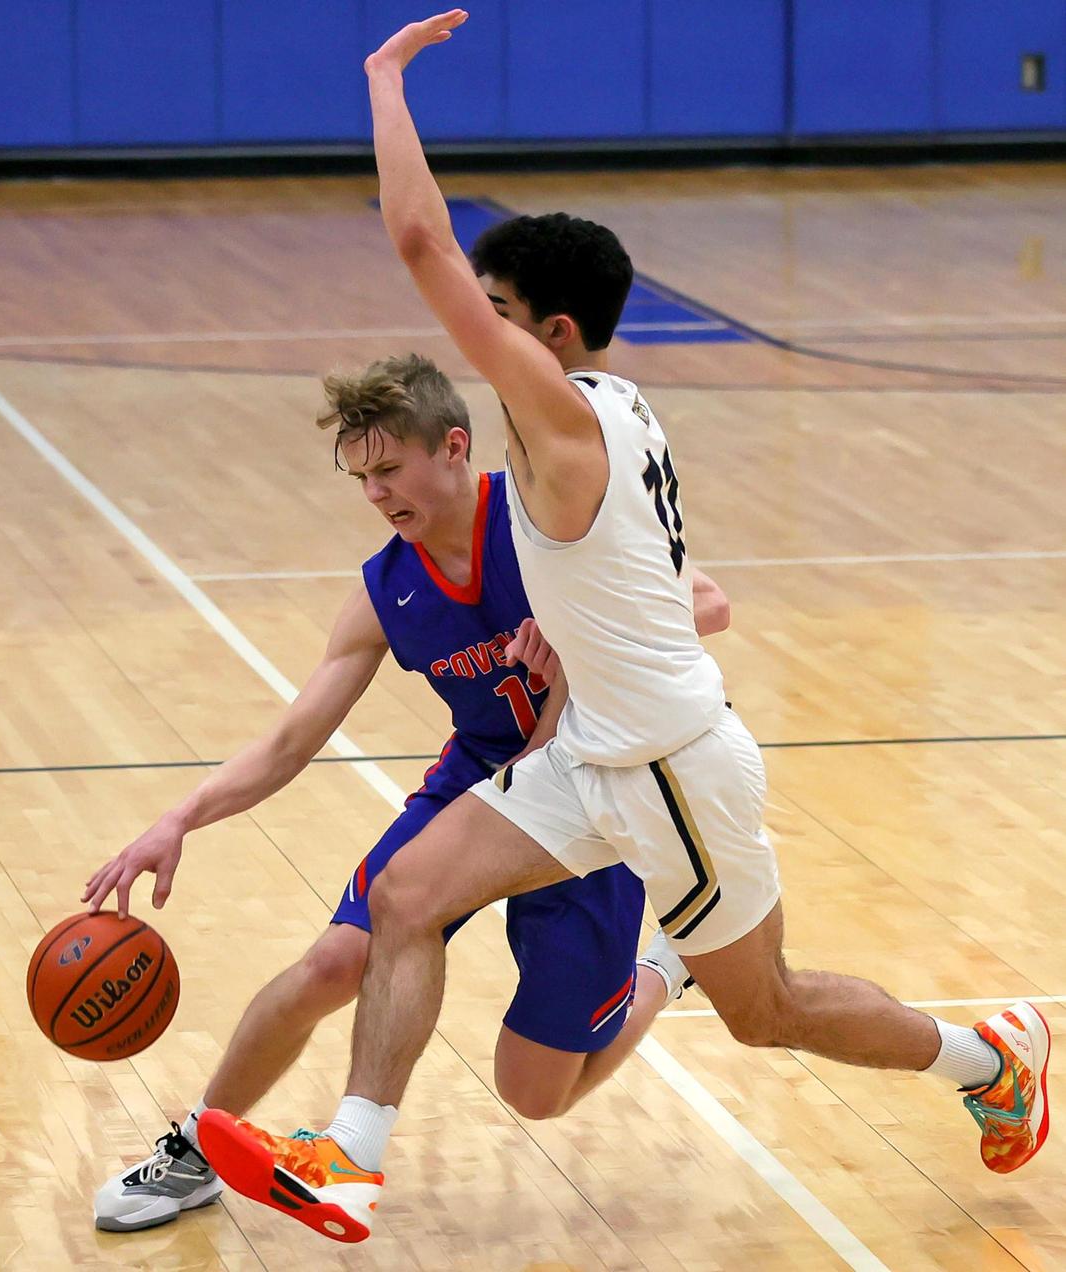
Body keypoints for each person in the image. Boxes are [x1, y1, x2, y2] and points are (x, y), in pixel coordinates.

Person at [194, 10, 1052, 1245]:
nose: (470, 331)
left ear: (548, 336)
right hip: (593, 753)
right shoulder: (614, 408)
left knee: (770, 1011)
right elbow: (650, 580)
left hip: (674, 775)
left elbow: (418, 237)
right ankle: (351, 1157)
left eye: (493, 314)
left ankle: (987, 1055)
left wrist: (384, 82)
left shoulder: (565, 425)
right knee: (407, 894)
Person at [85, 352, 732, 1233]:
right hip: (480, 783)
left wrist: (581, 623)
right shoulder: (385, 589)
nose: (377, 494)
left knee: (536, 1093)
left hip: (587, 796)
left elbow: (709, 602)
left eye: (390, 469)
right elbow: (288, 741)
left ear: (455, 448)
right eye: (361, 478)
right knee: (333, 961)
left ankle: (662, 967)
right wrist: (179, 819)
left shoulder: (549, 517)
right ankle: (197, 1146)